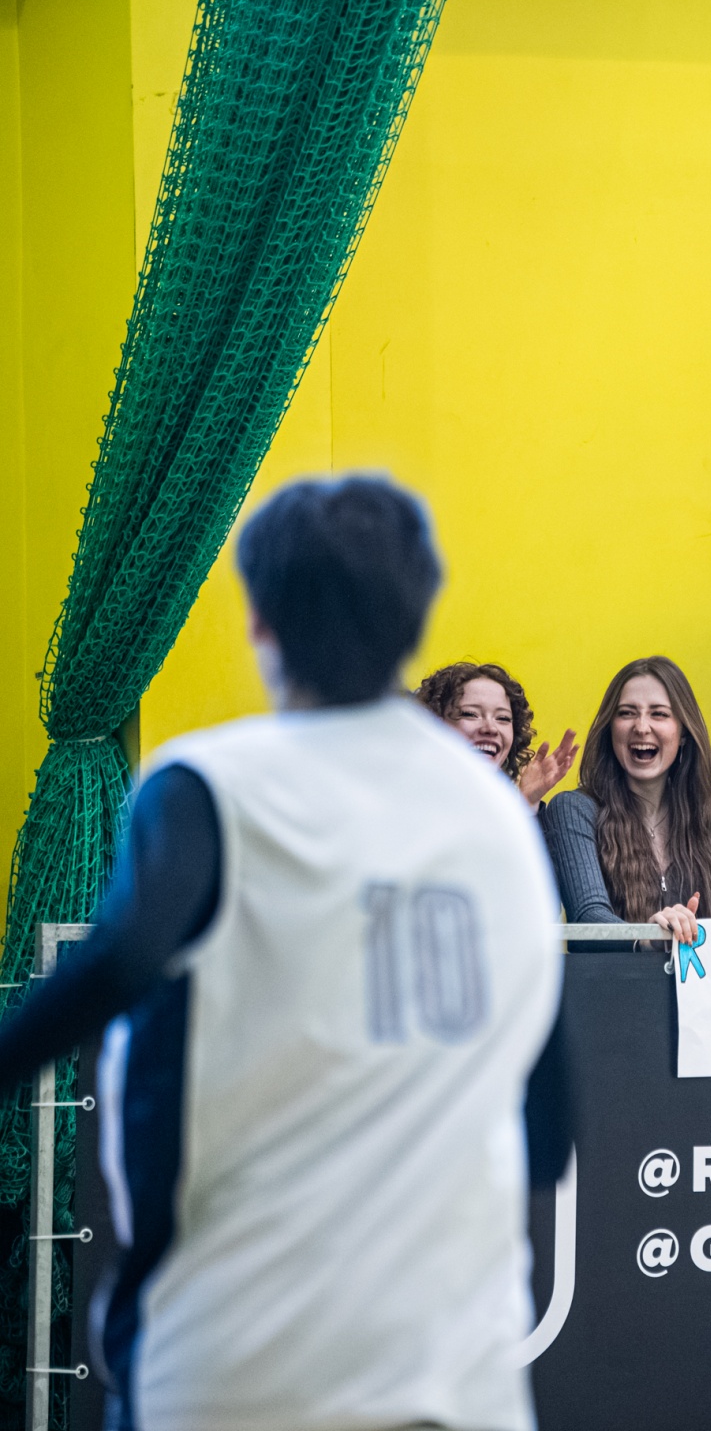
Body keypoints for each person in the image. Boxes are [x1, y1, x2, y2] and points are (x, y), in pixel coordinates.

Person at [0, 475, 566, 1431]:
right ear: (415, 622)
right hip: (455, 1369)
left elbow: (122, 962)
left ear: (260, 621)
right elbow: (547, 1131)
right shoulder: (504, 826)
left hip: (239, 1356)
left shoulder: (210, 786)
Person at [540, 656, 711, 947]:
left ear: (683, 733)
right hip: (617, 978)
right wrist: (648, 937)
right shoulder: (575, 809)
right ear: (610, 729)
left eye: (659, 714)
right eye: (626, 713)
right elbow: (588, 920)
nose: (642, 726)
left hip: (702, 980)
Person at [415, 659, 577, 809]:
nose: (491, 728)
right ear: (434, 723)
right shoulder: (409, 797)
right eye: (470, 714)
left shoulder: (505, 808)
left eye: (503, 718)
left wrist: (527, 803)